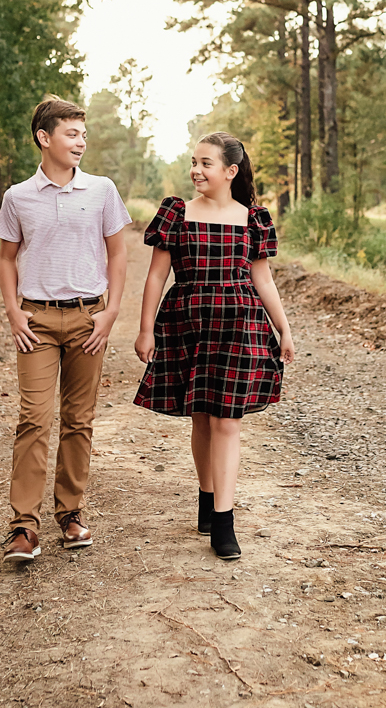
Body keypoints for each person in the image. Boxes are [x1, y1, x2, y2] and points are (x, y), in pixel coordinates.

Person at [133, 131, 295, 560]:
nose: (195, 170)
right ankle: (207, 497)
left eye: (205, 163)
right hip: (188, 323)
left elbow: (263, 279)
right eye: (193, 162)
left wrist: (285, 329)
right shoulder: (176, 213)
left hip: (239, 326)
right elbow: (155, 277)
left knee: (228, 421)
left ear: (230, 171)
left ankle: (223, 521)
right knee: (202, 418)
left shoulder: (253, 218)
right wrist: (145, 328)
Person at [0, 96, 131, 561]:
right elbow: (7, 258)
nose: (81, 142)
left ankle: (70, 515)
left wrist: (110, 313)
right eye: (72, 134)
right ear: (44, 138)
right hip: (37, 321)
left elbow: (118, 253)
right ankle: (22, 528)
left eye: (83, 134)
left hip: (88, 319)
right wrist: (13, 311)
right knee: (33, 418)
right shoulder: (18, 197)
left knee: (79, 420)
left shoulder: (102, 190)